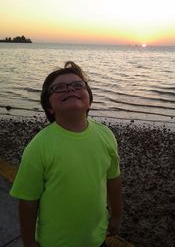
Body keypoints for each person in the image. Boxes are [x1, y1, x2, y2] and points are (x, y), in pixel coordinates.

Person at [10, 61, 122, 247]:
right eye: (59, 88)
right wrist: (29, 243)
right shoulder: (39, 146)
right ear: (49, 107)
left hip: (96, 238)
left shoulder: (106, 135)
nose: (70, 89)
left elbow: (114, 180)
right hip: (55, 242)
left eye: (78, 85)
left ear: (89, 100)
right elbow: (28, 202)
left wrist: (117, 214)